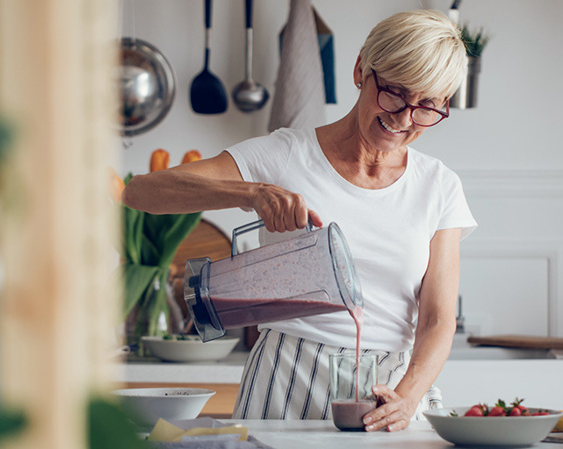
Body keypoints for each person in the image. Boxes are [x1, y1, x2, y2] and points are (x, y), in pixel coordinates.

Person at [122, 9, 476, 432]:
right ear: (361, 69)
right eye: (394, 94)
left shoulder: (439, 186)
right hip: (285, 377)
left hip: (393, 393)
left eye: (426, 106)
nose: (403, 119)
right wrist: (252, 193)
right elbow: (141, 192)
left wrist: (410, 394)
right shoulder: (285, 155)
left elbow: (438, 318)